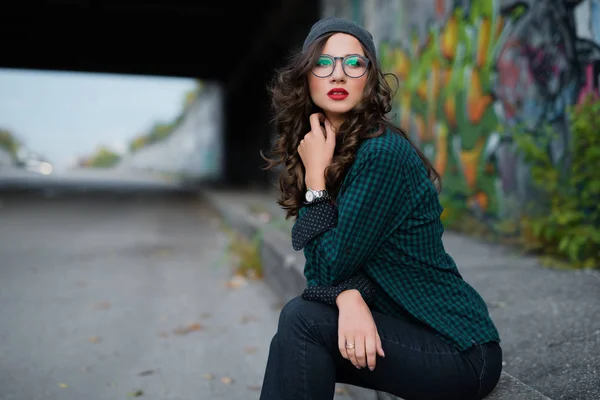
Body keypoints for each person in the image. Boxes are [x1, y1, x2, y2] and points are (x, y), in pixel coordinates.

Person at [258, 16, 502, 400]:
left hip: (459, 350)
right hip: (408, 331)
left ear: (369, 79)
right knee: (295, 334)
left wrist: (316, 182)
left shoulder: (381, 154)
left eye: (353, 63)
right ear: (306, 77)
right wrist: (347, 295)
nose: (338, 75)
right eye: (324, 63)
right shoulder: (336, 150)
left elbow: (329, 264)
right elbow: (320, 265)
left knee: (302, 322)